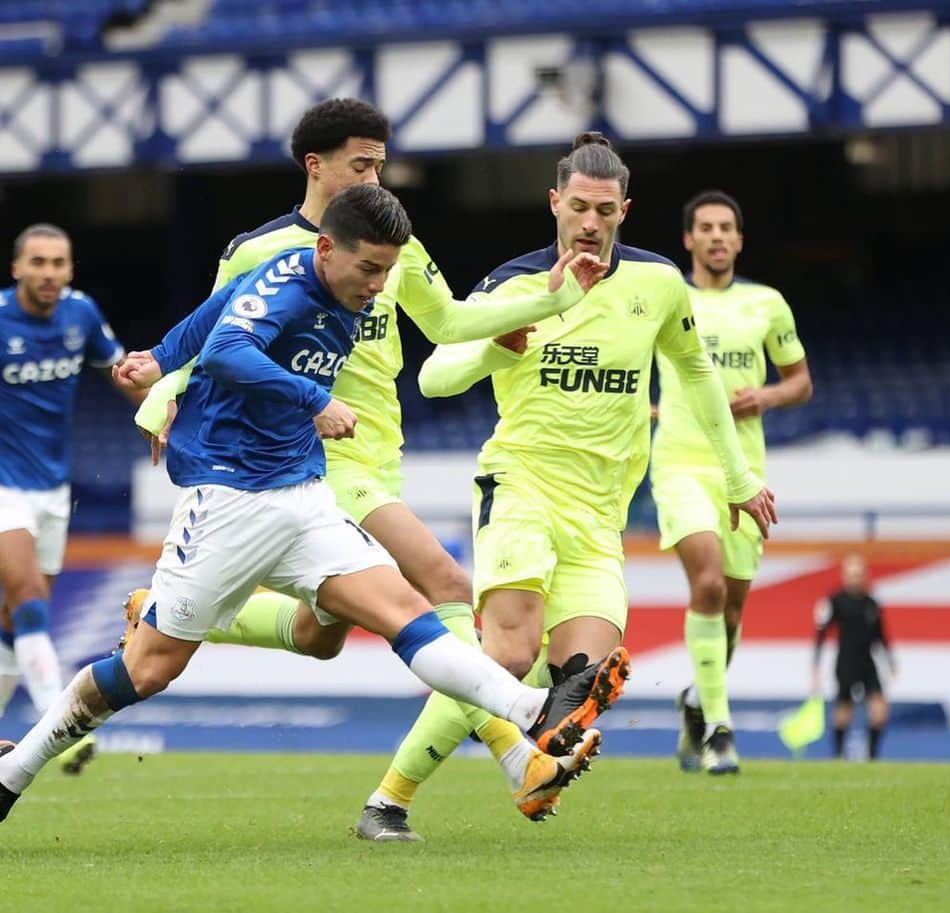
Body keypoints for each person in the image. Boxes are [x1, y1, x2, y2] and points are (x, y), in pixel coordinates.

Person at [0, 185, 629, 826]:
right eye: (369, 269)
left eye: (387, 270)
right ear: (327, 248)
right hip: (229, 500)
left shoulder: (335, 282)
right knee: (148, 669)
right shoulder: (291, 288)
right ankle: (11, 773)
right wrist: (310, 397)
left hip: (302, 496)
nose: (379, 286)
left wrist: (159, 357)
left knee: (407, 610)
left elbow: (219, 308)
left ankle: (531, 712)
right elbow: (225, 347)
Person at [356, 133, 777, 840]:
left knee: (586, 677)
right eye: (577, 206)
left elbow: (697, 375)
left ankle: (536, 756)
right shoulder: (516, 286)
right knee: (509, 654)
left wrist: (737, 477)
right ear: (555, 203)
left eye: (604, 210)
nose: (589, 221)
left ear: (624, 211)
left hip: (599, 517)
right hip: (519, 488)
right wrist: (500, 339)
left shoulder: (658, 285)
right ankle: (388, 801)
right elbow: (433, 376)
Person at [653, 190, 813, 775]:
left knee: (733, 611)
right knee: (710, 584)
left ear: (739, 240)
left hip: (743, 472)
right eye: (706, 227)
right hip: (679, 463)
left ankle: (697, 700)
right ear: (689, 240)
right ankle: (721, 729)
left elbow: (800, 381)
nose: (717, 236)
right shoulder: (666, 297)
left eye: (727, 227)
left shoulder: (767, 303)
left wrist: (767, 394)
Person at [0, 223, 144, 776]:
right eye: (38, 262)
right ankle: (53, 721)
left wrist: (161, 410)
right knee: (30, 597)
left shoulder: (80, 314)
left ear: (70, 270)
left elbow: (119, 370)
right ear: (17, 268)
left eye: (58, 263)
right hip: (4, 486)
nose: (49, 273)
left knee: (16, 621)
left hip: (52, 492)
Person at [811, 553, 896, 760]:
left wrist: (891, 661)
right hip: (846, 663)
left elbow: (881, 636)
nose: (855, 578)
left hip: (868, 663)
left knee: (879, 711)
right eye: (851, 574)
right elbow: (821, 634)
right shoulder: (835, 601)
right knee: (843, 711)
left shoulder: (872, 603)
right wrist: (816, 666)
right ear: (845, 576)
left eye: (859, 574)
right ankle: (838, 755)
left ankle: (872, 756)